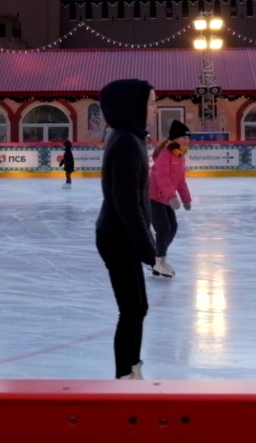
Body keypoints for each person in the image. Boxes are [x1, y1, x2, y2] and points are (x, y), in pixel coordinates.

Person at [95, 79, 158, 380]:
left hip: (124, 234)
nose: (154, 109)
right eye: (151, 103)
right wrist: (148, 249)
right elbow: (126, 203)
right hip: (117, 237)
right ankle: (124, 375)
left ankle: (133, 367)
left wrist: (147, 243)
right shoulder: (125, 143)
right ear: (133, 106)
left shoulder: (132, 138)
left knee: (139, 307)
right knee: (132, 309)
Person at [149, 120, 193, 278]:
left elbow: (180, 180)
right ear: (175, 138)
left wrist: (186, 199)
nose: (187, 141)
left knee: (172, 228)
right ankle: (160, 262)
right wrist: (172, 197)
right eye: (184, 138)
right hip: (153, 197)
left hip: (166, 198)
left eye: (188, 138)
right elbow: (162, 178)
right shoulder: (165, 154)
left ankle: (158, 260)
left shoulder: (179, 156)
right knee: (164, 229)